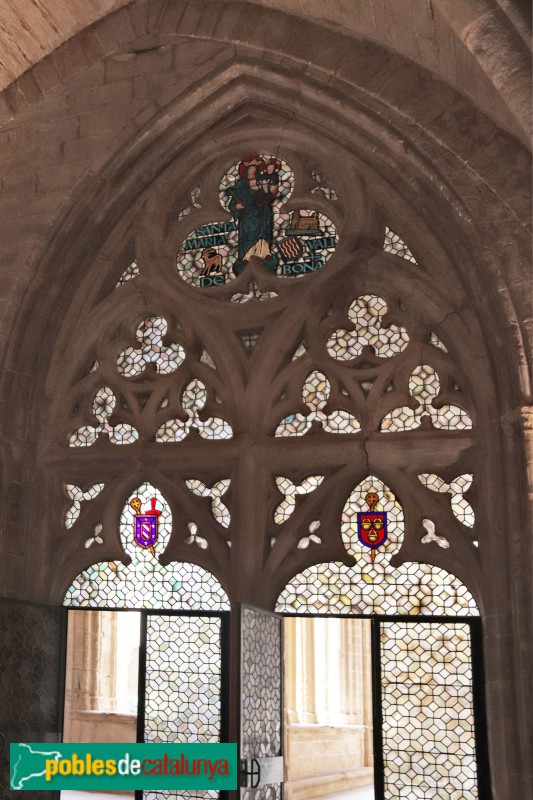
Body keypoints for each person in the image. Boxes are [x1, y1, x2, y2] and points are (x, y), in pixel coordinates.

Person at [228, 156, 279, 275]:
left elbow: (269, 193)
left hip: (263, 211)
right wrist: (236, 207)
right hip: (247, 214)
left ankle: (264, 253)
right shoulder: (241, 184)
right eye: (250, 170)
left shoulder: (261, 181)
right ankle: (247, 255)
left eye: (254, 170)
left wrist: (271, 192)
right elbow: (233, 203)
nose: (252, 172)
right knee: (249, 233)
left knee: (263, 231)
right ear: (246, 171)